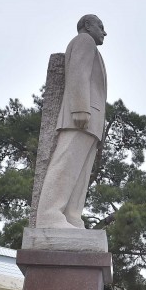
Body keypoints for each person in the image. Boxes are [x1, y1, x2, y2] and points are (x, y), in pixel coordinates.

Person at [36, 14, 109, 229]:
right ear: (87, 26)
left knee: (81, 171)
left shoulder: (94, 49)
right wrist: (80, 108)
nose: (104, 32)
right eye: (101, 26)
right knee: (67, 164)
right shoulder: (83, 41)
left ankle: (71, 217)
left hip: (91, 121)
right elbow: (79, 72)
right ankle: (50, 215)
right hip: (82, 116)